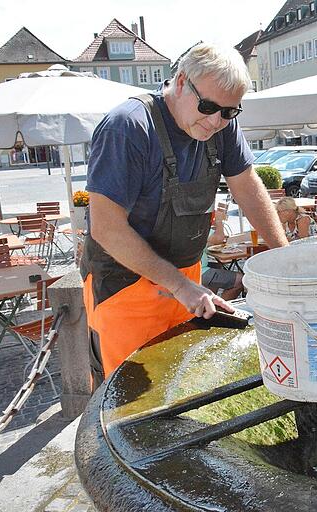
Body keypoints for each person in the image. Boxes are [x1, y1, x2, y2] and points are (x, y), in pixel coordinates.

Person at [81, 43, 289, 385]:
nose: (214, 121)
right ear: (180, 81)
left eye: (228, 112)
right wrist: (179, 285)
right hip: (124, 287)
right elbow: (106, 228)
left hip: (185, 281)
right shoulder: (128, 128)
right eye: (207, 107)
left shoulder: (220, 125)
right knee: (128, 401)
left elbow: (248, 189)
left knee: (180, 385)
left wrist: (287, 262)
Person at [202, 202, 244, 300]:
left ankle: (211, 305)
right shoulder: (197, 226)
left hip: (188, 270)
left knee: (218, 267)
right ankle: (222, 309)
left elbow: (213, 242)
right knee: (241, 280)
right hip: (199, 271)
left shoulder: (185, 223)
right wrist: (219, 221)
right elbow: (219, 239)